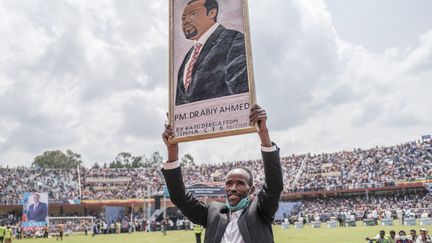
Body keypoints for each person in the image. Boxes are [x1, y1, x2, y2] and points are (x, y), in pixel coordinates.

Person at [162, 104, 283, 243]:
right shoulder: (213, 212)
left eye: (240, 183)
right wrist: (172, 149)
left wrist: (263, 133)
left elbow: (274, 186)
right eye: (229, 183)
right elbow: (179, 196)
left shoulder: (261, 209)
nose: (233, 188)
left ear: (252, 189)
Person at [175, 0, 249, 105]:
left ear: (211, 13)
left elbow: (243, 97)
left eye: (193, 14)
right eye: (183, 18)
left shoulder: (233, 40)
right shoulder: (189, 55)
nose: (186, 21)